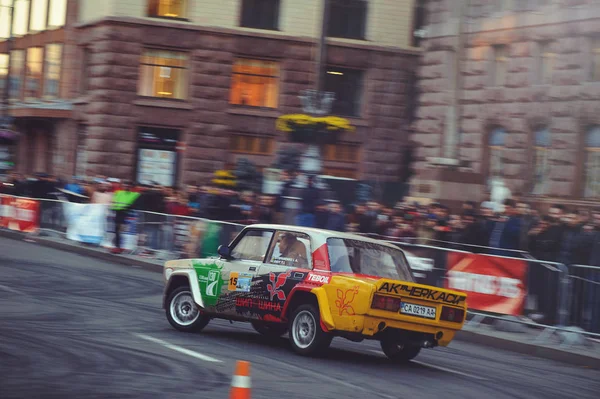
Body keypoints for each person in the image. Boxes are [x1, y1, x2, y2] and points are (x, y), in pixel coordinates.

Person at [110, 181, 140, 254]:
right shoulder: (118, 193)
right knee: (117, 231)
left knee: (124, 232)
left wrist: (126, 208)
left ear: (131, 187)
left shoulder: (135, 194)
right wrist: (113, 208)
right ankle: (118, 247)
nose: (126, 187)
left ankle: (121, 247)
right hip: (118, 213)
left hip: (128, 214)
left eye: (127, 186)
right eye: (124, 185)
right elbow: (114, 202)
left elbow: (135, 205)